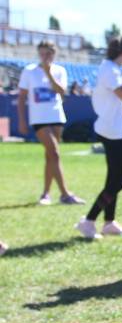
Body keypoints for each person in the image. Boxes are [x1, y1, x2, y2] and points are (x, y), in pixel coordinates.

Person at [75, 35, 122, 239]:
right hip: (112, 130)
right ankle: (89, 220)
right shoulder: (110, 69)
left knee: (113, 177)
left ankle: (109, 222)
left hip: (115, 128)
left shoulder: (110, 68)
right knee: (120, 180)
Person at [16, 40, 84, 205]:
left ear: (54, 54)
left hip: (56, 116)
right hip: (39, 118)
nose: (45, 57)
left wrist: (49, 73)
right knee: (54, 153)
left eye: (49, 53)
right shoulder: (29, 71)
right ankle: (65, 193)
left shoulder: (60, 70)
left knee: (50, 156)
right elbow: (22, 97)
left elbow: (61, 92)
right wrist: (22, 121)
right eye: (43, 53)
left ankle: (46, 194)